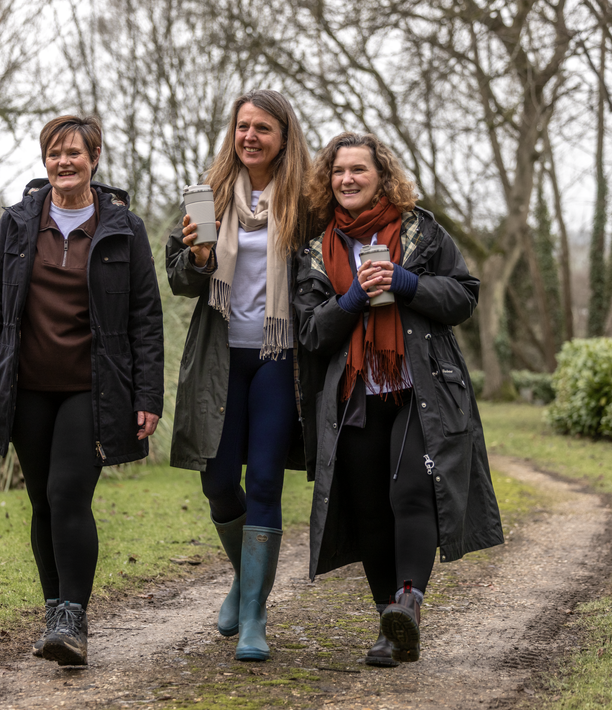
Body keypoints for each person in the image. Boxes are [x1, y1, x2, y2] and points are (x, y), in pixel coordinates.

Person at [0, 115, 164, 667]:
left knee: (70, 494)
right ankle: (55, 615)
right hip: (26, 387)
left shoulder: (124, 227)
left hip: (92, 389)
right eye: (54, 153)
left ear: (95, 157)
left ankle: (73, 615)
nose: (63, 162)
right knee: (42, 499)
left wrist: (148, 395)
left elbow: (145, 317)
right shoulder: (19, 223)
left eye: (74, 152)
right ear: (44, 161)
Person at [293, 132, 503, 666]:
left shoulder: (422, 231)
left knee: (410, 489)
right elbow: (312, 333)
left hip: (420, 387)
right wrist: (354, 297)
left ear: (382, 176)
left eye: (359, 170)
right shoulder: (318, 248)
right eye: (339, 171)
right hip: (356, 396)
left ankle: (408, 601)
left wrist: (406, 281)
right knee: (367, 512)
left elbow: (463, 296)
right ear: (329, 180)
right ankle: (390, 624)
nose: (348, 180)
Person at [166, 89, 311, 661]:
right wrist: (197, 255)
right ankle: (244, 579)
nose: (250, 137)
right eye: (243, 127)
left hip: (279, 358)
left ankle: (253, 613)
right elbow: (179, 280)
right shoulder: (210, 196)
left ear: (283, 138)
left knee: (266, 483)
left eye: (263, 129)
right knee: (219, 481)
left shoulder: (305, 202)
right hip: (221, 357)